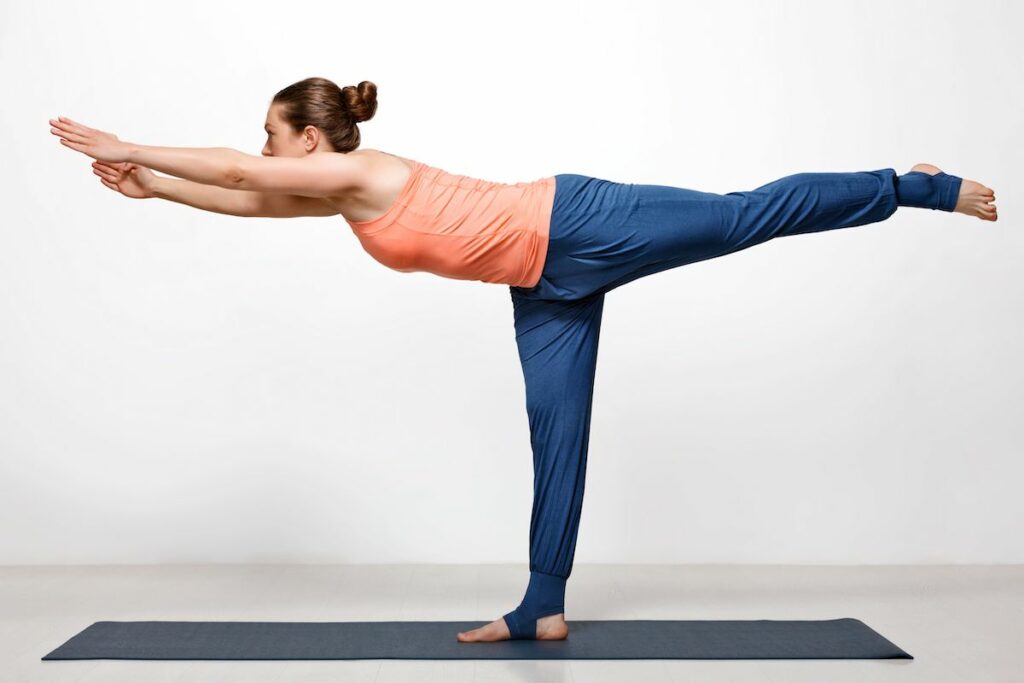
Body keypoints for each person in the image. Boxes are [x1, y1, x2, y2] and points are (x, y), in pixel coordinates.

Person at [50, 76, 999, 644]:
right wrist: (155, 192)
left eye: (271, 132)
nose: (262, 147)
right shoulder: (337, 196)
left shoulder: (359, 169)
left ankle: (911, 185)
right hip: (543, 285)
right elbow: (253, 200)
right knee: (557, 434)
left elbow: (248, 173)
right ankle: (543, 603)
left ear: (309, 137)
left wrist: (133, 144)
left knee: (743, 215)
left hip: (577, 219)